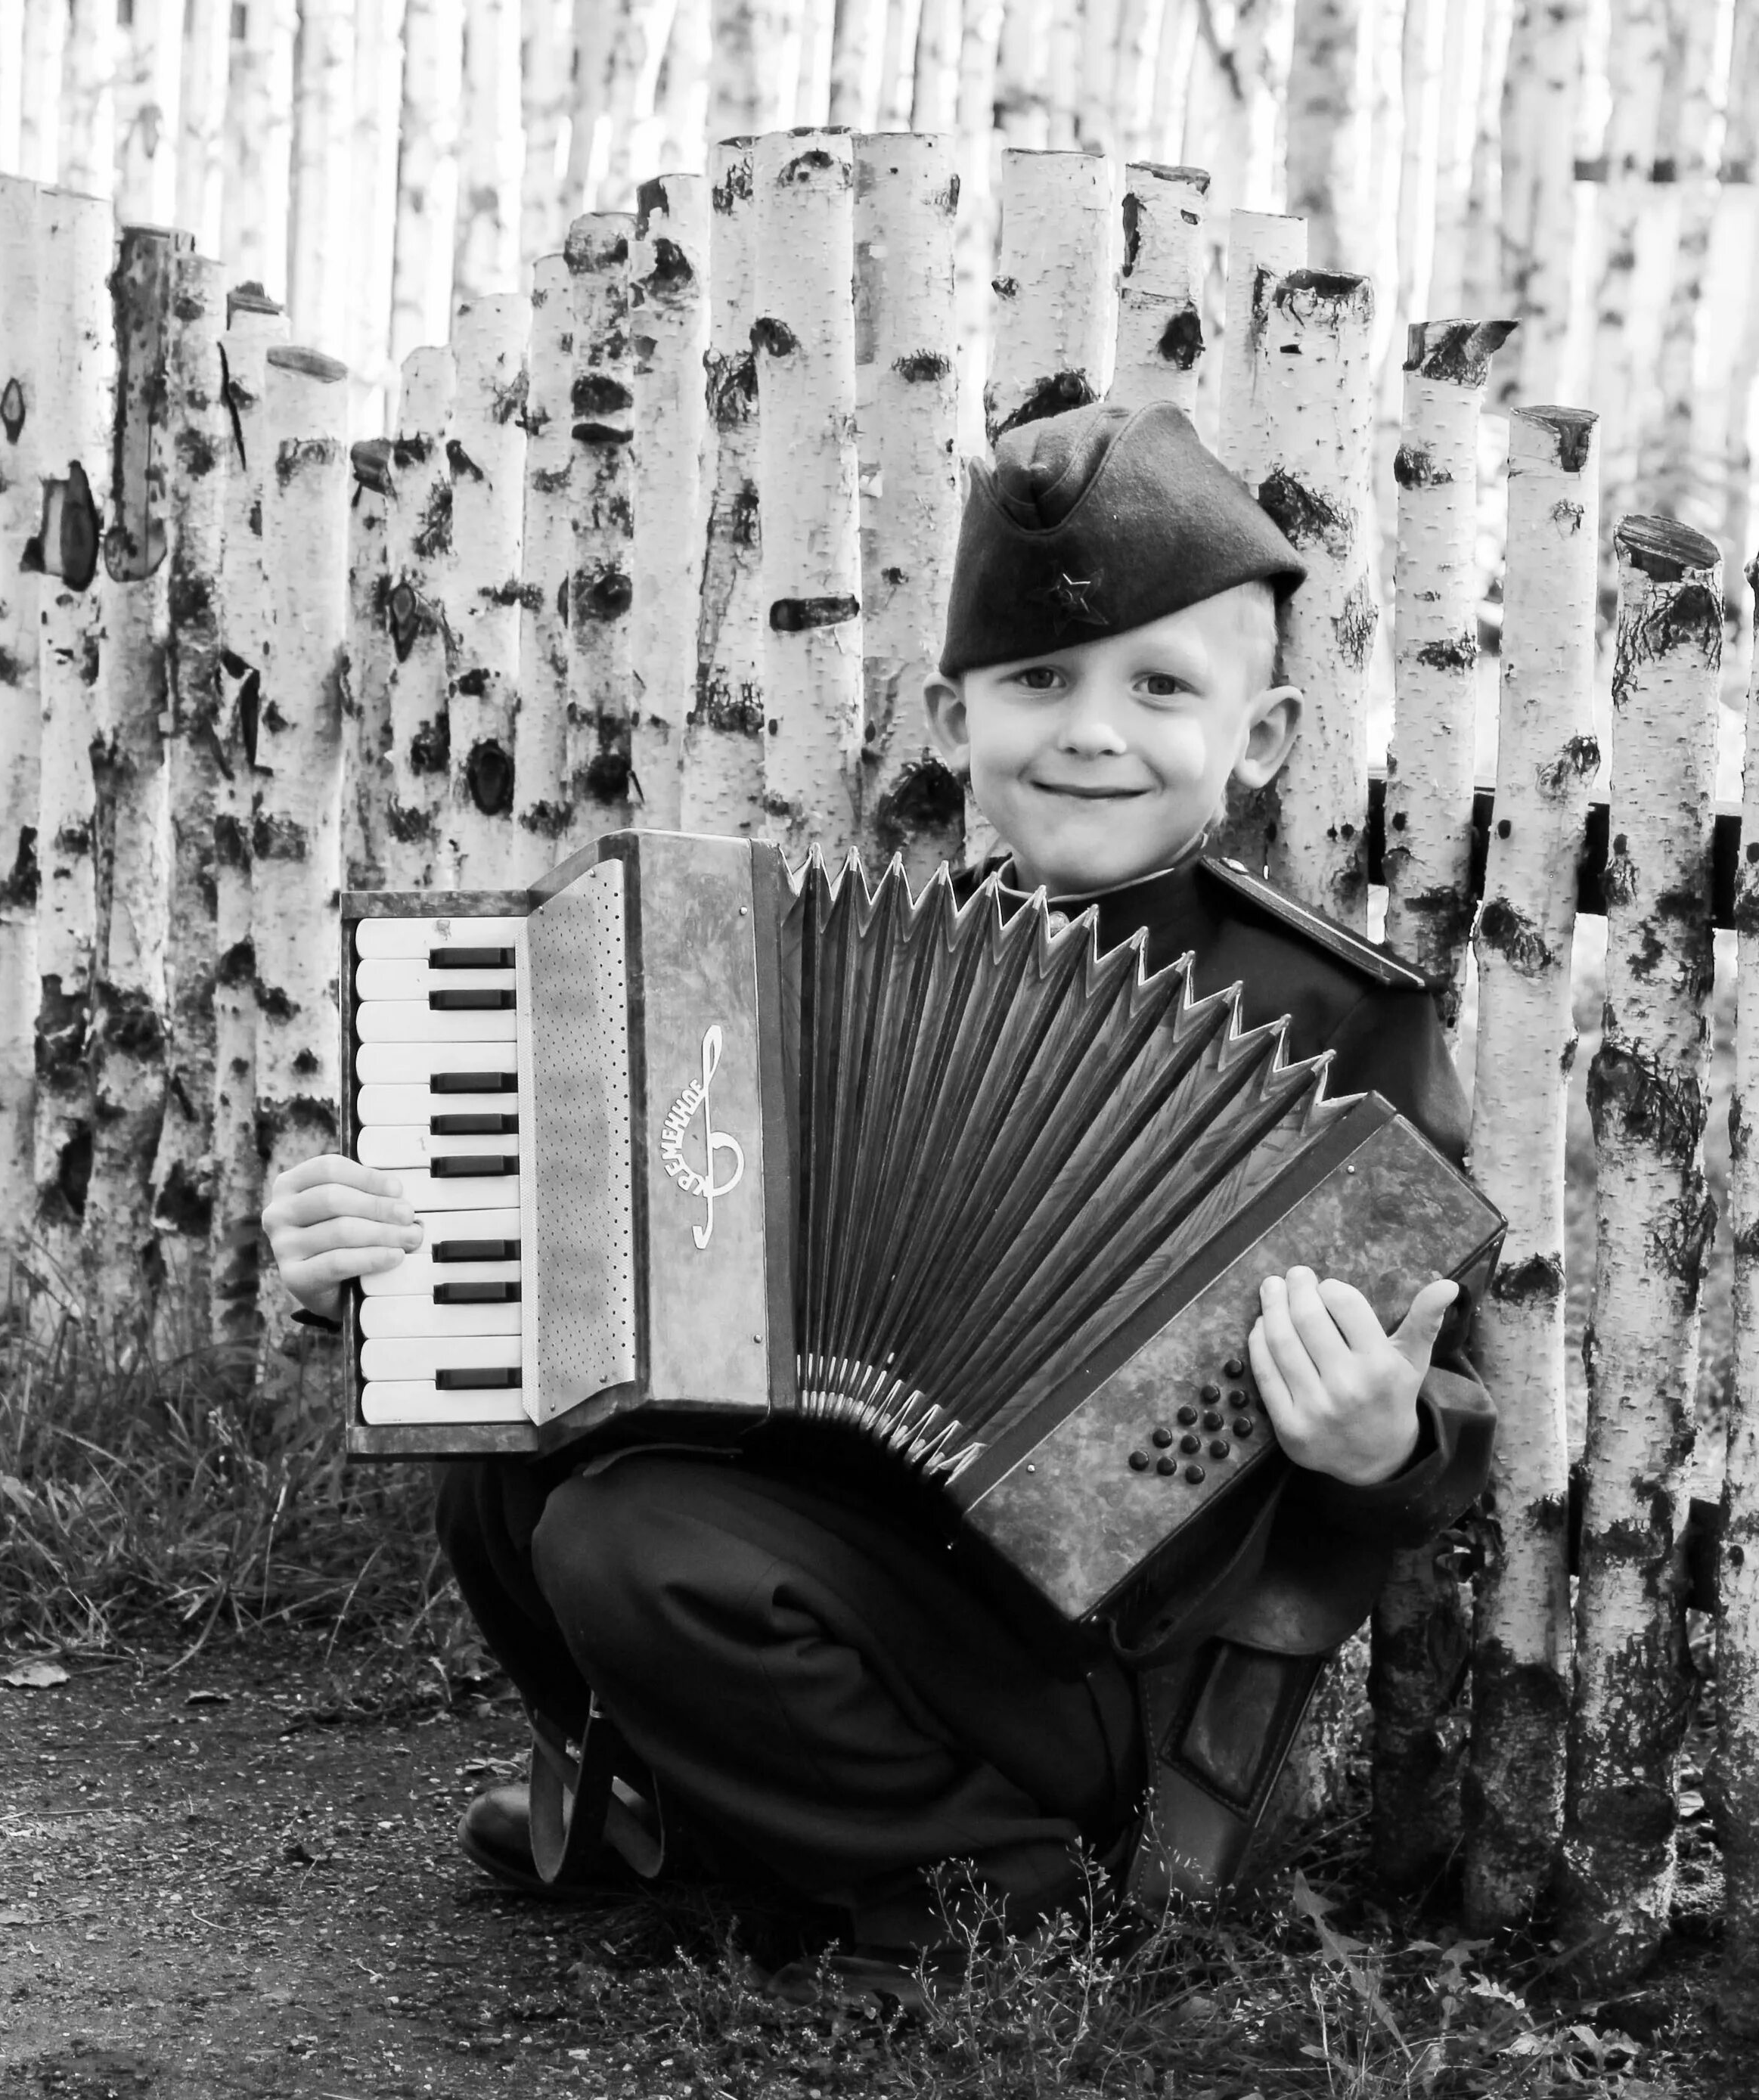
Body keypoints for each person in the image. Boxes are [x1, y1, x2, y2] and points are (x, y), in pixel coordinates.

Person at [261, 401, 1495, 1984]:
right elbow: (608, 1266)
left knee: (633, 1544)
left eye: (1160, 687)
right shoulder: (855, 973)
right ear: (948, 713)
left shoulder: (1331, 1025)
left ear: (1255, 739)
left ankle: (996, 1893)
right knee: (509, 1465)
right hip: (874, 1569)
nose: (1090, 732)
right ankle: (673, 1807)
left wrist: (1383, 1442)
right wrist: (381, 1254)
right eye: (1039, 681)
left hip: (1097, 1649)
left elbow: (1443, 1404)